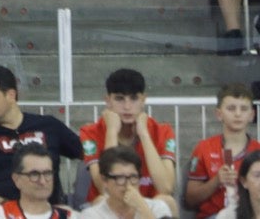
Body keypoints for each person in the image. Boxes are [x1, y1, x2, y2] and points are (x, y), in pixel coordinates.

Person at [0, 65, 84, 213]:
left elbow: (88, 150)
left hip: (48, 210)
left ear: (11, 95)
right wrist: (10, 207)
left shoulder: (48, 125)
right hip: (1, 211)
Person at [79, 69, 177, 203]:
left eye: (134, 98)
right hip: (108, 207)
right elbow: (105, 189)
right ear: (108, 101)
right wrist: (112, 131)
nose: (127, 106)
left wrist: (144, 134)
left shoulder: (162, 131)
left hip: (147, 205)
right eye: (119, 99)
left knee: (167, 201)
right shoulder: (90, 132)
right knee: (102, 200)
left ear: (143, 100)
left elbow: (165, 188)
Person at [184, 86, 259, 218]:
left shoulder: (258, 150)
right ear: (219, 114)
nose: (238, 114)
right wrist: (216, 181)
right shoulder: (204, 148)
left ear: (252, 115)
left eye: (244, 108)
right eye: (231, 108)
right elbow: (190, 200)